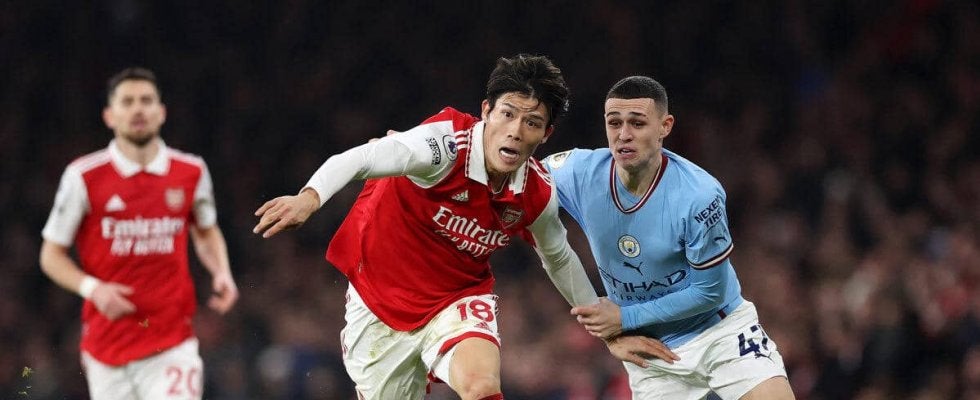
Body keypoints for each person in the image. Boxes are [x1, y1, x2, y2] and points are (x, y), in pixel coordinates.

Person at [252, 55, 673, 400]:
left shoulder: (536, 192)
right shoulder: (441, 147)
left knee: (481, 385)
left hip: (458, 297)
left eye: (531, 122)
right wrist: (309, 198)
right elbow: (362, 158)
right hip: (379, 299)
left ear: (545, 134)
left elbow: (558, 258)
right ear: (487, 111)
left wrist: (607, 333)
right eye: (507, 114)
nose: (515, 130)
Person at [544, 76, 796, 399]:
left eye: (637, 123)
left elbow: (710, 292)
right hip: (651, 352)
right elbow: (516, 178)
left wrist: (623, 318)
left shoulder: (699, 195)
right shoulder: (578, 174)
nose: (623, 135)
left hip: (720, 334)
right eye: (614, 123)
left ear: (665, 126)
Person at [39, 67, 239, 400]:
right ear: (109, 115)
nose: (138, 109)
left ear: (161, 112)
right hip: (107, 346)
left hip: (172, 341)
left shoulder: (191, 171)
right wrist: (93, 289)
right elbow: (50, 255)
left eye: (146, 101)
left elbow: (205, 232)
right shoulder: (83, 177)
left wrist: (222, 271)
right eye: (127, 102)